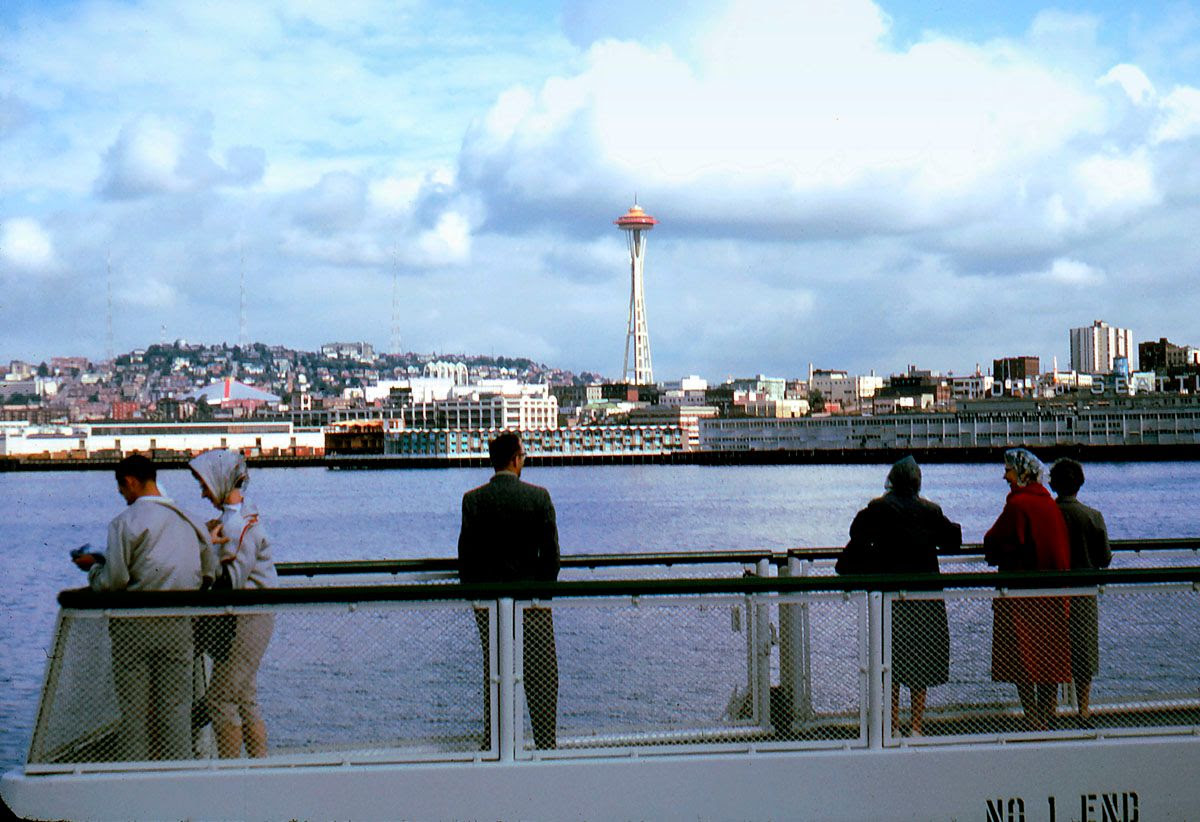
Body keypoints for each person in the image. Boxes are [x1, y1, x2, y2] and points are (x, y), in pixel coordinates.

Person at [73, 453, 215, 761]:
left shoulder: (124, 522)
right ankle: (178, 773)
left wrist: (94, 569)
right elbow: (208, 571)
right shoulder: (190, 519)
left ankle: (135, 775)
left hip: (135, 626)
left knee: (134, 713)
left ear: (130, 482)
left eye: (122, 490)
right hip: (179, 624)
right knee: (176, 710)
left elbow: (114, 580)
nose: (124, 497)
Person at [836, 456, 962, 736]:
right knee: (922, 662)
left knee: (889, 660)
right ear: (917, 482)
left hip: (889, 597)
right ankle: (916, 726)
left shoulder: (878, 509)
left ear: (892, 480)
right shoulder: (930, 510)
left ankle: (892, 724)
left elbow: (856, 532)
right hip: (925, 598)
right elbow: (953, 540)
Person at [458, 432, 560, 749]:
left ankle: (496, 743)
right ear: (516, 460)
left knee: (497, 674)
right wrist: (540, 597)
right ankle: (545, 743)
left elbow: (466, 561)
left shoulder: (473, 500)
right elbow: (552, 558)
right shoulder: (539, 497)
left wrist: (479, 602)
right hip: (532, 604)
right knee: (542, 675)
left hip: (491, 607)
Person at [189, 449, 277, 758]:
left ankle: (230, 771)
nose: (203, 493)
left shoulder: (236, 527)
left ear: (220, 481)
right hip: (255, 617)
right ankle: (258, 767)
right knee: (244, 696)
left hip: (245, 620)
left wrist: (204, 550)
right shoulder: (243, 519)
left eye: (205, 485)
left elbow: (229, 582)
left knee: (221, 698)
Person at [983, 448, 1072, 731]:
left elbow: (995, 541)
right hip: (1052, 596)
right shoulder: (1048, 504)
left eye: (1008, 470)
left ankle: (1032, 716)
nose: (1005, 476)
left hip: (1021, 598)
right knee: (1049, 657)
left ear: (1021, 473)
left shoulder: (1018, 505)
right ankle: (1047, 714)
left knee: (1022, 658)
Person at [1049, 458, 1112, 722]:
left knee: (1051, 650)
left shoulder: (1048, 514)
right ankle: (1083, 709)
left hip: (1051, 592)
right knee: (1084, 651)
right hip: (1084, 592)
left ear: (1053, 484)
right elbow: (1104, 558)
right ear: (1080, 484)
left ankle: (1049, 710)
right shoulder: (1092, 516)